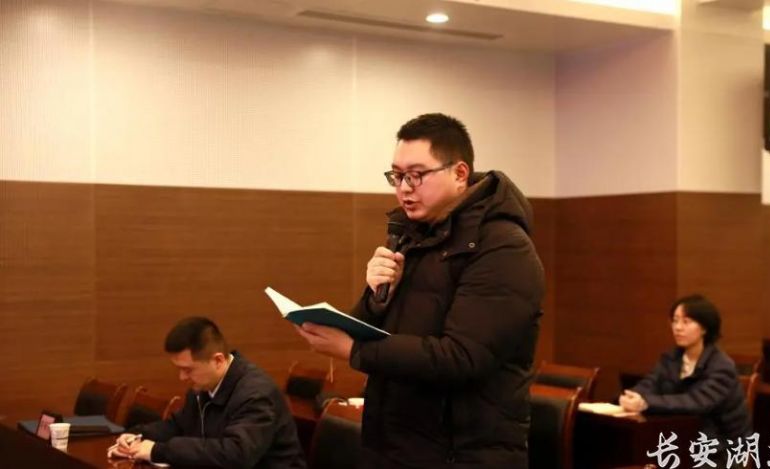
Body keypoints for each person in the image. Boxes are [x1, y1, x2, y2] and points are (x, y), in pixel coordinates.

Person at [295, 113, 545, 468]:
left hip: (462, 453)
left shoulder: (503, 247)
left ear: (459, 173)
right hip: (398, 444)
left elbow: (461, 357)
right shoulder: (414, 237)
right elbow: (384, 333)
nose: (404, 188)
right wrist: (375, 297)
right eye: (397, 176)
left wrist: (354, 350)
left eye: (416, 175)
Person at [112, 316, 306, 469]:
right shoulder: (203, 387)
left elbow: (237, 454)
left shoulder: (256, 393)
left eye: (188, 370)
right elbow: (178, 425)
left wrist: (157, 451)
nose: (182, 377)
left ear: (218, 360)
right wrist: (136, 436)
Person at [620, 295, 751, 451]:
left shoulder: (721, 366)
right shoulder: (671, 358)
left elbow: (697, 402)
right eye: (675, 321)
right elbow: (650, 383)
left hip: (721, 446)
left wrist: (646, 402)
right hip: (683, 437)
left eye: (686, 322)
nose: (678, 327)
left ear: (704, 328)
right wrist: (632, 396)